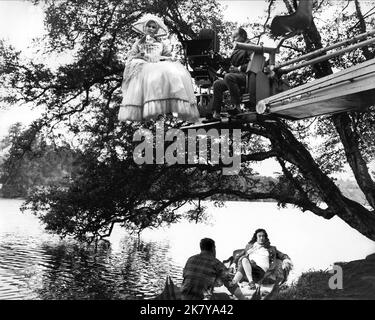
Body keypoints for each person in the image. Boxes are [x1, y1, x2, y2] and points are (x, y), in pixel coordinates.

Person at [118, 14, 200, 122]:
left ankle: (171, 106)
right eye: (149, 26)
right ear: (144, 28)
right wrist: (140, 56)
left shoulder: (161, 43)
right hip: (144, 66)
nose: (151, 29)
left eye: (153, 27)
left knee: (173, 72)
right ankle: (147, 108)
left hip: (158, 64)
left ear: (156, 30)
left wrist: (166, 58)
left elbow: (167, 55)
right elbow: (131, 57)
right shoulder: (138, 43)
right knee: (148, 80)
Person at [181, 238, 246, 300]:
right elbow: (231, 286)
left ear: (201, 248)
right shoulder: (216, 263)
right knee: (225, 296)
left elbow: (187, 277)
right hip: (202, 298)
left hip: (184, 296)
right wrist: (243, 299)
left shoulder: (191, 259)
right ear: (213, 249)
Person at [211, 27, 251, 120]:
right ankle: (216, 112)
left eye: (235, 37)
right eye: (232, 38)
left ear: (243, 36)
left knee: (228, 77)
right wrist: (221, 62)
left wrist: (238, 68)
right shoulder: (237, 48)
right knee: (217, 84)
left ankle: (237, 107)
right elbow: (231, 63)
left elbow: (255, 63)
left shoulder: (250, 46)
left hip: (247, 76)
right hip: (235, 76)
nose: (233, 40)